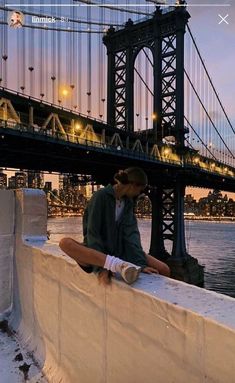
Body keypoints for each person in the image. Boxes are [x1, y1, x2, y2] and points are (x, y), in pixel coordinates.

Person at [59, 167, 170, 285]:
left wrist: (140, 265)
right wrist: (101, 267)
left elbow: (131, 236)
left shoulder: (127, 203)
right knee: (65, 243)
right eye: (140, 190)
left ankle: (119, 264)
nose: (139, 193)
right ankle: (115, 264)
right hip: (99, 253)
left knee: (164, 269)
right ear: (132, 185)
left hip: (120, 251)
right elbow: (93, 233)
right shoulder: (100, 196)